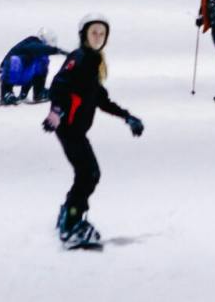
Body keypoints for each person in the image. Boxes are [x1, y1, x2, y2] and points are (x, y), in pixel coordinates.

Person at [44, 14, 143, 249]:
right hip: (68, 128)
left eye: (102, 33)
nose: (98, 37)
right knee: (88, 174)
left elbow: (100, 98)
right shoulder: (79, 58)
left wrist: (126, 116)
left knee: (88, 174)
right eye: (93, 32)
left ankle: (69, 215)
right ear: (84, 35)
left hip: (75, 129)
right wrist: (57, 112)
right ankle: (71, 224)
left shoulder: (93, 60)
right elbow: (59, 85)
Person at [0, 28, 64, 105]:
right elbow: (36, 48)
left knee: (43, 60)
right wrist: (55, 50)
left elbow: (33, 69)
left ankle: (39, 92)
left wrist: (23, 94)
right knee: (16, 60)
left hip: (23, 74)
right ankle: (6, 93)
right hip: (8, 72)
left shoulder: (39, 51)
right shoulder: (32, 41)